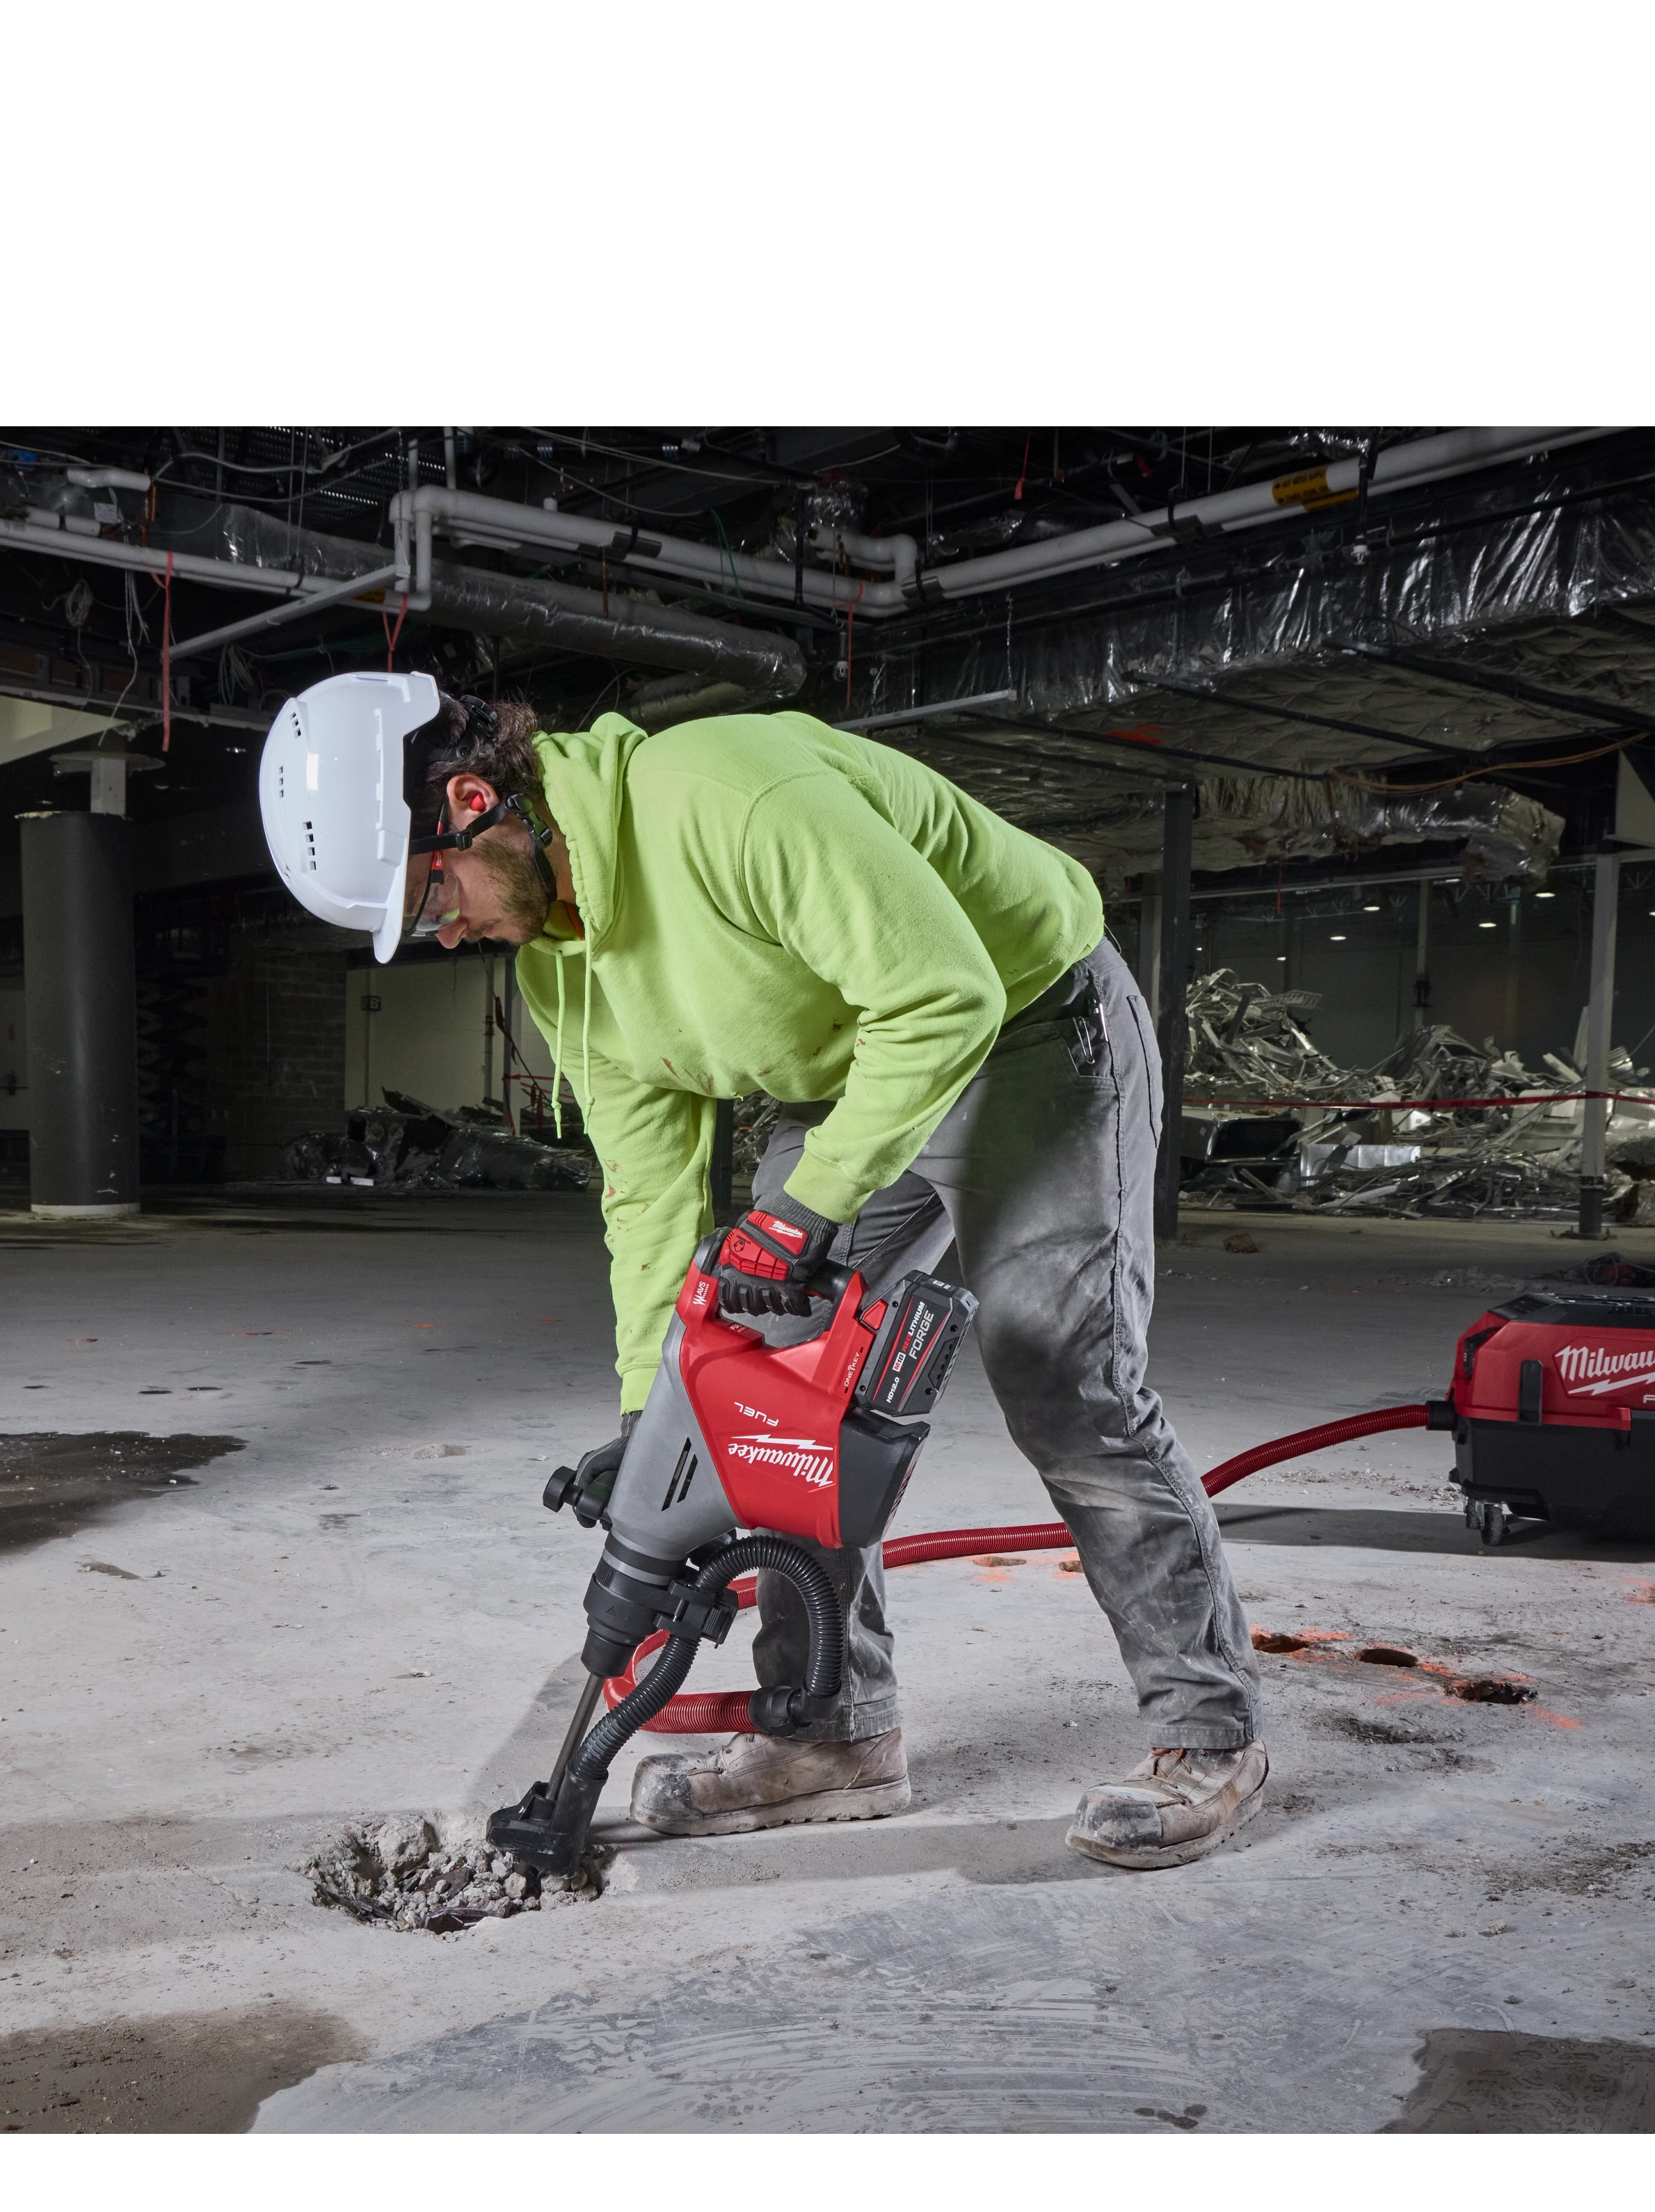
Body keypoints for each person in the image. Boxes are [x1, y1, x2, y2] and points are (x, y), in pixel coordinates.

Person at [261, 671, 1264, 1871]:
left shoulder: (727, 798)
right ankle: (833, 1733)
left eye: (435, 903)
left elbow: (945, 997)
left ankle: (1209, 1736)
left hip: (1030, 1025)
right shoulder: (558, 967)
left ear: (474, 804)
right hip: (845, 1078)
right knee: (767, 1385)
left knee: (1060, 1368)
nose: (452, 935)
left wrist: (808, 1206)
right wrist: (654, 1414)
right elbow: (647, 1197)